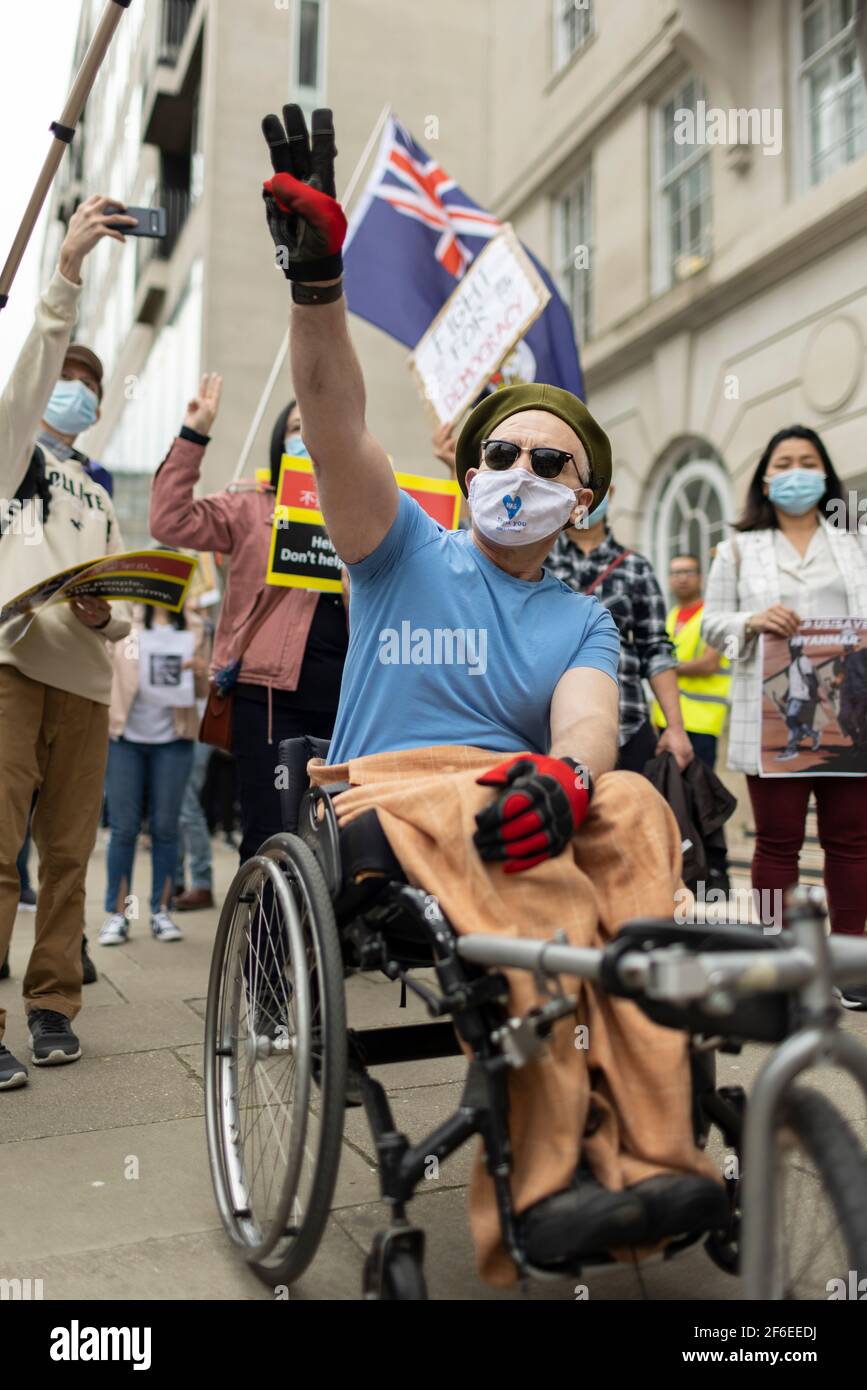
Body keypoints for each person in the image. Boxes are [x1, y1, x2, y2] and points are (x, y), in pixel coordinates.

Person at [257, 103, 724, 1287]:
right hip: (388, 798)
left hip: (532, 795)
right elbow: (335, 415)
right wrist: (320, 287)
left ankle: (663, 1154)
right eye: (499, 457)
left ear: (585, 498)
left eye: (549, 463)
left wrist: (571, 775)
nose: (519, 475)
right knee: (516, 847)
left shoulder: (579, 612)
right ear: (467, 474)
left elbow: (584, 716)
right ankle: (552, 1170)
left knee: (638, 811)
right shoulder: (402, 547)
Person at [0, 195, 136, 1091]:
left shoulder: (97, 493)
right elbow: (36, 357)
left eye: (89, 382)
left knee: (69, 858)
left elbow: (124, 606)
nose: (74, 388)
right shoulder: (11, 455)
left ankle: (53, 1006)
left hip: (85, 686)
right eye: (66, 375)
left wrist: (106, 615)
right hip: (14, 670)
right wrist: (69, 268)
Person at [149, 380, 348, 865]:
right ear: (280, 440)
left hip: (346, 697)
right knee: (267, 829)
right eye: (298, 427)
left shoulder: (361, 510)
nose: (308, 435)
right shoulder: (247, 504)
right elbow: (168, 521)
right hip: (267, 697)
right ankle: (260, 937)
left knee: (335, 835)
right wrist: (193, 436)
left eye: (319, 425)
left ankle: (316, 937)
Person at [702, 425, 867, 1003]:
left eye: (807, 461)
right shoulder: (738, 549)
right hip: (773, 716)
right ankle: (777, 963)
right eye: (783, 462)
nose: (796, 471)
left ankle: (851, 962)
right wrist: (750, 620)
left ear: (824, 477)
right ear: (765, 479)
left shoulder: (855, 544)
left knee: (851, 841)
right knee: (777, 843)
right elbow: (711, 625)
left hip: (847, 716)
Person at [546, 482, 694, 772]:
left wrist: (675, 728)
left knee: (629, 811)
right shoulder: (538, 558)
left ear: (610, 493)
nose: (584, 500)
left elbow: (656, 648)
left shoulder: (635, 567)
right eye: (573, 490)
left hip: (626, 721)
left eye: (593, 490)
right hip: (547, 723)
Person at [100, 602, 209, 945]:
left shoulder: (195, 626)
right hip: (126, 739)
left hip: (173, 740)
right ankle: (121, 914)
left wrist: (200, 672)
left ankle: (161, 912)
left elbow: (205, 690)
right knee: (124, 829)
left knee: (165, 827)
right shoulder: (123, 622)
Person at [650, 553, 730, 770]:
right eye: (676, 572)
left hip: (702, 722)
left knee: (698, 794)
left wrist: (662, 668)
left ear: (701, 578)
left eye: (688, 572)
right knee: (669, 792)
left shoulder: (713, 617)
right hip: (665, 718)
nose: (682, 578)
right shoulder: (670, 616)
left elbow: (709, 664)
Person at [777, 635, 822, 761]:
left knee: (791, 720)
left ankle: (791, 749)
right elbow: (794, 683)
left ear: (799, 647)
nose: (792, 649)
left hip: (801, 697)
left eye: (794, 647)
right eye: (791, 647)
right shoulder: (794, 662)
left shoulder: (803, 660)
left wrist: (814, 696)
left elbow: (811, 679)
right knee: (795, 722)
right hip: (794, 696)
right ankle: (813, 733)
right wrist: (785, 697)